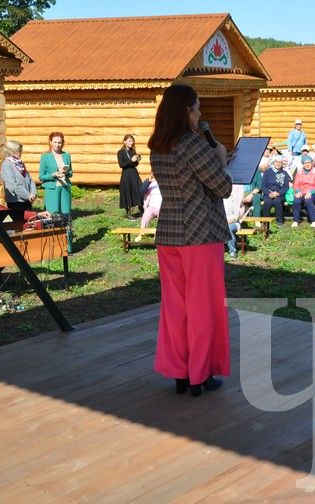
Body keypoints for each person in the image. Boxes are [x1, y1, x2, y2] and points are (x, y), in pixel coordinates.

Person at [146, 84, 232, 396]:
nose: (200, 114)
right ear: (185, 111)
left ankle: (180, 372)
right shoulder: (194, 146)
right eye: (196, 108)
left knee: (175, 307)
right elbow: (222, 187)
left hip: (169, 233)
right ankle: (201, 373)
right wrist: (221, 157)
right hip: (200, 235)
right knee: (203, 307)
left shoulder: (158, 146)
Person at [39, 131, 73, 215]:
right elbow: (41, 176)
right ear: (50, 142)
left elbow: (71, 173)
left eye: (59, 142)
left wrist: (66, 172)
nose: (57, 145)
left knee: (66, 213)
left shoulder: (66, 155)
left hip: (65, 187)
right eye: (55, 142)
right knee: (53, 213)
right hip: (52, 188)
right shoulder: (45, 157)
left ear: (62, 143)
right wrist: (53, 175)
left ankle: (67, 228)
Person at [0, 140, 36, 213]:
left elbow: (30, 180)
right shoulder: (6, 164)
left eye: (20, 150)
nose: (20, 152)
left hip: (27, 200)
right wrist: (28, 196)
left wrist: (33, 193)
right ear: (11, 151)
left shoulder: (20, 163)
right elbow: (13, 185)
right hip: (16, 201)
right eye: (18, 150)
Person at [291, 156, 315, 227]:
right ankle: (296, 220)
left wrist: (310, 193)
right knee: (296, 200)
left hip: (314, 193)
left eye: (308, 162)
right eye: (305, 163)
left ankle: (313, 220)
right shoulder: (299, 172)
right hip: (301, 192)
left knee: (308, 200)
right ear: (303, 164)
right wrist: (298, 192)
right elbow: (296, 185)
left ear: (311, 163)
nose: (307, 164)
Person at [117, 134, 143, 219]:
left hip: (134, 173)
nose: (131, 143)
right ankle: (128, 213)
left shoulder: (132, 151)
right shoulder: (121, 152)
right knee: (127, 192)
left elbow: (135, 164)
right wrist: (130, 160)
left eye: (132, 141)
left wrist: (137, 160)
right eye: (129, 141)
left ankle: (141, 209)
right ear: (124, 141)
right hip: (126, 174)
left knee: (139, 190)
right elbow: (121, 165)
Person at [261, 155, 290, 225]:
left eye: (280, 162)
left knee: (277, 201)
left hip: (280, 194)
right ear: (273, 162)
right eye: (277, 162)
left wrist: (278, 193)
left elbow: (286, 187)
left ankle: (279, 220)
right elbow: (263, 186)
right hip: (269, 193)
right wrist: (268, 193)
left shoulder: (285, 173)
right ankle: (265, 221)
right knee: (267, 202)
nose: (278, 164)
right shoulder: (267, 172)